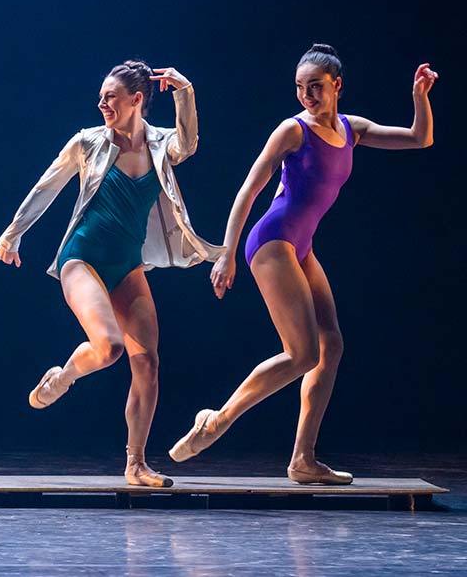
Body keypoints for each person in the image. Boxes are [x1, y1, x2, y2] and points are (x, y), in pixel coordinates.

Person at [169, 46, 437, 484]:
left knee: (331, 344)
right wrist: (226, 254)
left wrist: (419, 94)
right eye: (299, 87)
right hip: (272, 242)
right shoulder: (292, 131)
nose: (306, 95)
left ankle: (303, 459)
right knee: (303, 353)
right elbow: (248, 191)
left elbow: (418, 137)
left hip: (301, 247)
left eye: (315, 86)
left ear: (337, 86)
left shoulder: (353, 129)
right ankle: (216, 421)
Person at [0, 62, 222, 487]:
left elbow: (187, 144)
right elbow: (48, 186)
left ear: (136, 100)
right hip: (80, 259)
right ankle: (62, 377)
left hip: (126, 266)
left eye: (110, 96)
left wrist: (184, 91)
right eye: (101, 96)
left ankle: (135, 464)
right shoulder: (88, 142)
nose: (102, 103)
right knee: (109, 348)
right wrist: (12, 235)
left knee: (148, 363)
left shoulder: (160, 145)